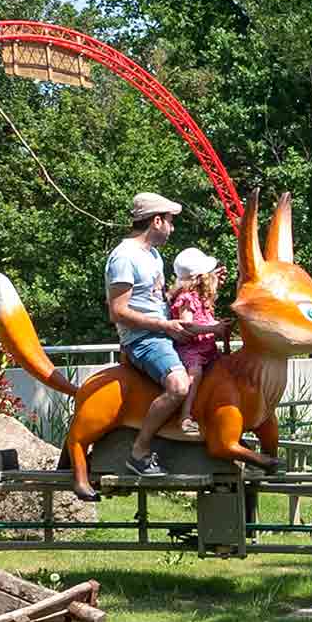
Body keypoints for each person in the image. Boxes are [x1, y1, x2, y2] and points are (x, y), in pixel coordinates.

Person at [105, 191, 217, 476]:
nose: (172, 227)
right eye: (170, 221)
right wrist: (166, 326)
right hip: (143, 339)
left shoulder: (153, 255)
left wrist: (202, 284)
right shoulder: (123, 258)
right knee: (180, 386)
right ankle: (139, 451)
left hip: (165, 333)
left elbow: (158, 298)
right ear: (156, 221)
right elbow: (117, 312)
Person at [167, 247, 231, 435]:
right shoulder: (186, 299)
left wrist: (219, 325)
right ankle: (185, 415)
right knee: (195, 373)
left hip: (208, 348)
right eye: (209, 273)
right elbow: (187, 326)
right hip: (192, 349)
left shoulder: (201, 297)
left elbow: (205, 319)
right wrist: (213, 329)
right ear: (200, 277)